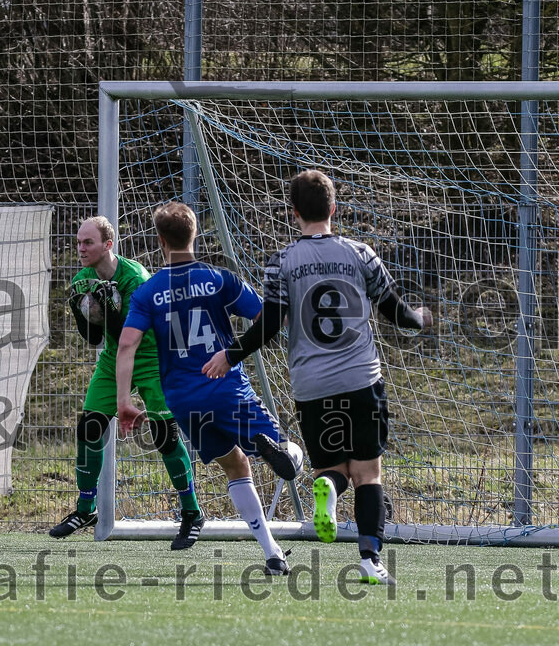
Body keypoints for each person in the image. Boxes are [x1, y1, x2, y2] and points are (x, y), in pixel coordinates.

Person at [203, 170, 433, 585]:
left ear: (294, 213)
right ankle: (369, 559)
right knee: (368, 473)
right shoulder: (361, 253)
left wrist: (230, 354)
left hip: (312, 387)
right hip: (362, 379)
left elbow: (269, 325)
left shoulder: (283, 261)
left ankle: (327, 487)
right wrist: (418, 318)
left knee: (333, 468)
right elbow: (394, 311)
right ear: (334, 208)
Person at [117, 202, 302, 574]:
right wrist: (233, 353)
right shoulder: (219, 279)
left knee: (234, 466)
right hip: (225, 385)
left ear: (160, 241)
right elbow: (271, 317)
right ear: (195, 234)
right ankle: (284, 454)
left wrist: (124, 400)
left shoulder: (147, 291)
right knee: (287, 454)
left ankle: (272, 553)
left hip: (184, 400)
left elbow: (126, 345)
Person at [49, 217, 204, 550]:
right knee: (89, 427)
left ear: (108, 245)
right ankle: (85, 508)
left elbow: (132, 337)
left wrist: (111, 310)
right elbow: (93, 338)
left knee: (164, 435)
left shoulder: (135, 278)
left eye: (87, 242)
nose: (80, 249)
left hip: (152, 355)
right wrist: (82, 312)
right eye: (78, 243)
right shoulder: (82, 279)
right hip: (112, 357)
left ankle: (192, 512)